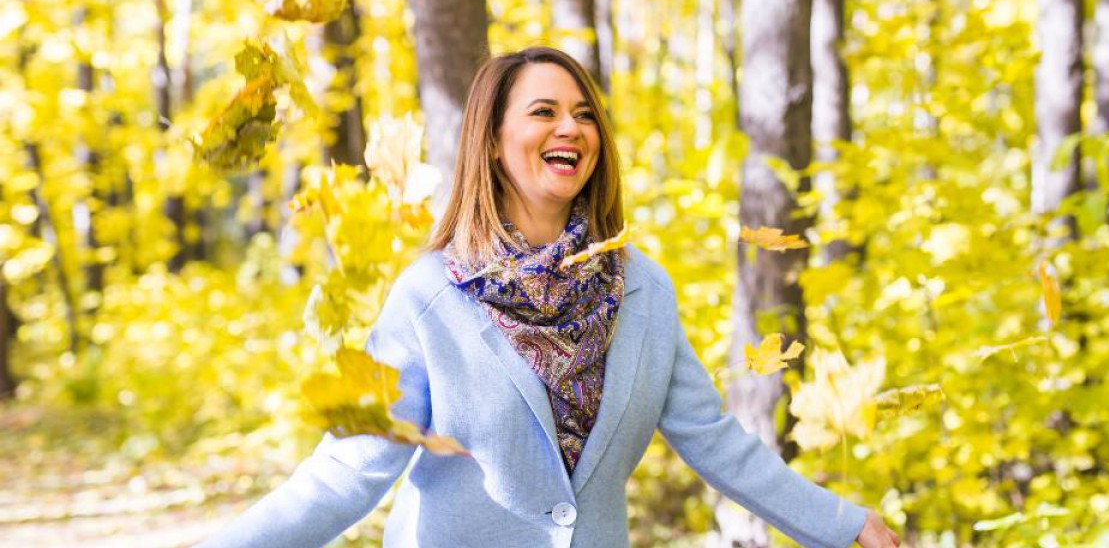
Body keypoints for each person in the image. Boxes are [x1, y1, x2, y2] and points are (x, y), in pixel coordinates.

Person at [198, 46, 900, 548]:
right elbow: (346, 471)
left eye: (584, 114)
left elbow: (713, 441)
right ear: (495, 140)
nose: (571, 128)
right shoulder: (427, 297)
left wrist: (837, 522)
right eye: (544, 112)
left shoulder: (643, 290)